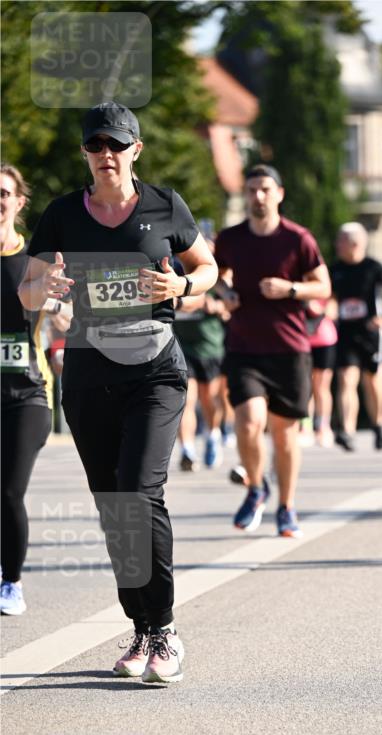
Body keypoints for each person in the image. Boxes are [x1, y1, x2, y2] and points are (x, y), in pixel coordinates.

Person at [19, 102, 218, 682]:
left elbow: (207, 269)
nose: (106, 155)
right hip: (88, 369)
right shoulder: (61, 214)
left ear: (136, 150)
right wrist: (46, 286)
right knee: (113, 508)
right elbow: (29, 293)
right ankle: (140, 631)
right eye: (95, 146)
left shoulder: (165, 205)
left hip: (155, 366)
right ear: (85, 153)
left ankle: (165, 631)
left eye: (117, 145)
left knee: (138, 492)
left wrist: (181, 284)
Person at [214, 164, 331, 537]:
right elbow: (211, 273)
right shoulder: (231, 239)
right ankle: (255, 488)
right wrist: (225, 293)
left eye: (265, 189)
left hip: (290, 348)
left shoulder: (298, 238)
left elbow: (322, 285)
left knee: (284, 435)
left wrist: (290, 289)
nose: (258, 196)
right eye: (251, 190)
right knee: (248, 422)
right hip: (244, 347)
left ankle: (287, 506)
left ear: (279, 193)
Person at [1, 164, 53, 615]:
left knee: (9, 491)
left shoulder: (32, 259)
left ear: (19, 202)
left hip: (27, 395)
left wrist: (57, 302)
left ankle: (11, 582)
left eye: (4, 193)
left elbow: (45, 300)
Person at [330, 222, 382, 451]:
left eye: (341, 240)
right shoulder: (336, 270)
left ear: (355, 243)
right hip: (346, 332)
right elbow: (330, 298)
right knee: (346, 379)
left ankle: (379, 424)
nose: (337, 245)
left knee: (373, 382)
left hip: (372, 332)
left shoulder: (373, 267)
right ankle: (348, 431)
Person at [172, 277, 228, 471]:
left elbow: (233, 304)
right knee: (186, 400)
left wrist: (218, 306)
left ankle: (213, 435)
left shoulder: (215, 274)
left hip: (209, 348)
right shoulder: (173, 269)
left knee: (208, 399)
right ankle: (187, 450)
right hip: (182, 347)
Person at [305, 297, 338, 447]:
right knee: (305, 387)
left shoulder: (326, 290)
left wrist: (317, 307)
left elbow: (333, 312)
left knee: (321, 387)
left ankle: (323, 426)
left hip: (325, 340)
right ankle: (306, 427)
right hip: (303, 341)